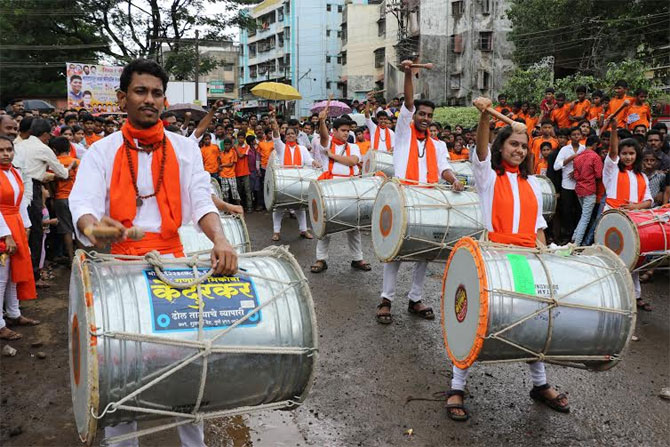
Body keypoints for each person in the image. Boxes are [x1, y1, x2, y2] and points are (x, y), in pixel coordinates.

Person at [69, 58, 237, 447]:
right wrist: (94, 228)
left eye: (156, 93)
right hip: (118, 266)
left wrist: (221, 240)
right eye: (140, 91)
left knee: (187, 363)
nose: (149, 99)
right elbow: (84, 204)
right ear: (122, 97)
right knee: (119, 372)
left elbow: (200, 201)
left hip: (173, 264)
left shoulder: (184, 149)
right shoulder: (101, 151)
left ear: (164, 100)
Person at [445, 96, 570, 421]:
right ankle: (457, 385)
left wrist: (544, 256)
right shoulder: (488, 178)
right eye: (513, 144)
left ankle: (539, 384)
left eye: (523, 146)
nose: (519, 150)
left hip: (525, 261)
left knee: (532, 318)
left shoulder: (530, 185)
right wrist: (485, 116)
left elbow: (539, 228)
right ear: (502, 147)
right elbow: (481, 152)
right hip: (493, 259)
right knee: (476, 319)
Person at [375, 59, 464, 324]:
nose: (425, 118)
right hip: (404, 199)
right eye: (421, 115)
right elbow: (409, 102)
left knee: (424, 252)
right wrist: (408, 74)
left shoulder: (438, 145)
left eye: (429, 116)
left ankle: (415, 298)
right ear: (413, 116)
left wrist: (454, 181)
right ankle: (386, 299)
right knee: (396, 253)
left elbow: (444, 169)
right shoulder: (403, 133)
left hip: (430, 198)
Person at [310, 111, 370, 274]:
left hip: (351, 187)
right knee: (325, 224)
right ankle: (321, 259)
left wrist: (333, 156)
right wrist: (322, 121)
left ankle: (358, 258)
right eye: (343, 130)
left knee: (354, 226)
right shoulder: (327, 143)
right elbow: (323, 136)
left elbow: (353, 161)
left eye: (348, 130)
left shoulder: (354, 146)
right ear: (334, 131)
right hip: (330, 187)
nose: (346, 133)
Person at [602, 120, 652, 311]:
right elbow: (612, 152)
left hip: (634, 222)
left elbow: (648, 201)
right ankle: (612, 296)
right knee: (613, 259)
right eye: (625, 153)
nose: (628, 157)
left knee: (634, 259)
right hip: (613, 220)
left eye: (631, 153)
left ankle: (636, 296)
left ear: (637, 155)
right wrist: (614, 130)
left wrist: (635, 206)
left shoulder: (642, 176)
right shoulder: (612, 169)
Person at [15, 119, 70, 286]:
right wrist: (71, 166)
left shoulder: (19, 145)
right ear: (45, 134)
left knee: (22, 232)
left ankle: (22, 275)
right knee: (36, 232)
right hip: (32, 190)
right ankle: (34, 277)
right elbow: (63, 173)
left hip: (17, 187)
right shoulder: (43, 149)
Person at [0, 136, 39, 341]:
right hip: (4, 227)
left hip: (15, 224)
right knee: (1, 277)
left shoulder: (13, 171)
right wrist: (6, 235)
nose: (6, 154)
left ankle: (14, 314)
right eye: (1, 150)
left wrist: (26, 227)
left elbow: (20, 202)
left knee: (14, 273)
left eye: (9, 149)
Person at [270, 115, 320, 241]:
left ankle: (303, 230)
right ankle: (276, 232)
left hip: (298, 180)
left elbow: (308, 160)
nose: (290, 136)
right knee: (279, 207)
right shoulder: (281, 147)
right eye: (288, 134)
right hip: (284, 181)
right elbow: (276, 137)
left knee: (300, 207)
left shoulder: (302, 148)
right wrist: (274, 123)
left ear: (297, 135)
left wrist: (314, 163)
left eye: (293, 134)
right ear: (285, 136)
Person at [553, 126, 586, 243]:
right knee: (566, 211)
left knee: (579, 211)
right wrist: (570, 158)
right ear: (570, 137)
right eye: (574, 135)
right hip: (566, 185)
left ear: (581, 136)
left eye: (578, 134)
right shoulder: (565, 150)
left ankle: (577, 237)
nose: (576, 137)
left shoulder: (584, 148)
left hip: (580, 185)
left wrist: (577, 172)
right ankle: (567, 235)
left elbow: (588, 166)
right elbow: (556, 166)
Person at [50, 137, 78, 262]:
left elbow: (50, 183)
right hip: (76, 198)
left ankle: (72, 259)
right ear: (69, 148)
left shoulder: (53, 163)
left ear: (54, 150)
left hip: (61, 198)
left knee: (66, 229)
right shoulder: (77, 162)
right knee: (78, 228)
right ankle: (81, 259)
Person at [572, 135, 603, 245]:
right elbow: (599, 175)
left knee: (583, 216)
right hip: (590, 190)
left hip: (579, 189)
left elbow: (575, 175)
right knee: (585, 218)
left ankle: (574, 237)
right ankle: (576, 243)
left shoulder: (578, 157)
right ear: (594, 145)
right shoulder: (595, 157)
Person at [234, 132, 253, 213]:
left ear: (244, 139)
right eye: (239, 138)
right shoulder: (234, 147)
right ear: (237, 138)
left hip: (245, 171)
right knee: (238, 191)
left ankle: (249, 207)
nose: (240, 139)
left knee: (247, 190)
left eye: (242, 138)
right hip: (236, 172)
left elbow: (241, 156)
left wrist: (235, 148)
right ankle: (240, 207)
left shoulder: (247, 147)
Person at [218, 138, 240, 205]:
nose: (227, 146)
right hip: (223, 175)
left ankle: (238, 207)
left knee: (234, 191)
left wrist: (222, 165)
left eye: (228, 144)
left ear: (231, 145)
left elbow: (231, 164)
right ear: (223, 145)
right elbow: (219, 162)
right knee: (225, 192)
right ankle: (227, 209)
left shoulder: (233, 152)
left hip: (231, 175)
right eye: (225, 145)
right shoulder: (221, 153)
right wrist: (219, 166)